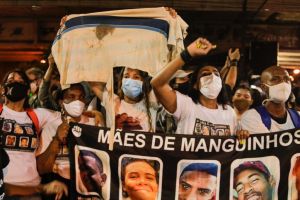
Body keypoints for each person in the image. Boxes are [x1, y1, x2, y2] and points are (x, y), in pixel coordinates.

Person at [151, 37, 247, 136]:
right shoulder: (186, 105)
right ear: (196, 85)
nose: (212, 77)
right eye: (205, 74)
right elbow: (157, 84)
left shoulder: (229, 112)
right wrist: (188, 54)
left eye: (216, 74)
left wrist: (242, 135)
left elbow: (237, 140)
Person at [0, 69, 67, 199]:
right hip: (4, 189)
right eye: (11, 81)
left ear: (27, 90)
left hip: (32, 190)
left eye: (20, 82)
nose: (15, 84)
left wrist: (94, 113)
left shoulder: (36, 115)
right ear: (3, 89)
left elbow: (69, 116)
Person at [36, 83, 104, 179]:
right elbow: (42, 168)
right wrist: (56, 139)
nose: (78, 101)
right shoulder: (51, 127)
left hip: (87, 182)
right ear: (61, 102)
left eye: (81, 97)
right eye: (71, 97)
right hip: (61, 183)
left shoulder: (95, 124)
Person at [240, 66, 300, 135]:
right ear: (263, 87)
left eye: (286, 79)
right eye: (275, 79)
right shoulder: (251, 117)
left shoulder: (298, 116)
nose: (283, 83)